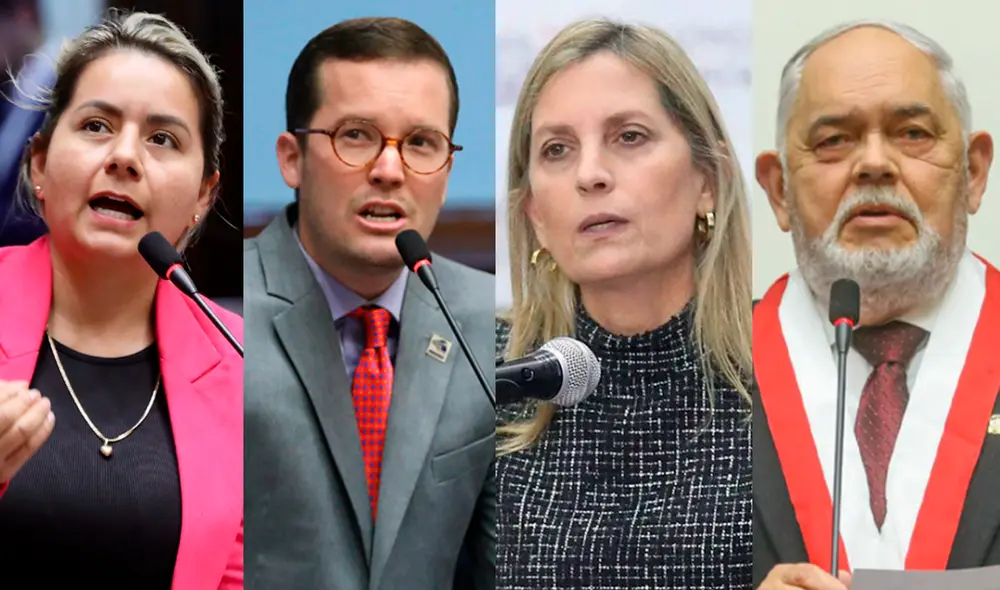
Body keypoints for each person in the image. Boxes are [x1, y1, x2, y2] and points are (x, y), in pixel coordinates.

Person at [495, 18, 753, 589]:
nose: (590, 174)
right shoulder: (484, 379)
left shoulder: (797, 365)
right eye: (557, 149)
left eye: (629, 137)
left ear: (707, 180)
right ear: (534, 214)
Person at [242, 17, 495, 590]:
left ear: (447, 171)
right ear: (291, 159)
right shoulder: (220, 321)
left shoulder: (493, 328)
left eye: (421, 144)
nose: (388, 170)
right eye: (355, 135)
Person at [0, 10, 244, 589]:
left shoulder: (240, 363)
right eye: (96, 126)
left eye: (163, 139)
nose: (126, 157)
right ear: (39, 162)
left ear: (204, 198)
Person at [753, 20, 1000, 590]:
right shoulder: (702, 374)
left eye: (912, 133)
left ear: (973, 172)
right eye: (834, 140)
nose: (873, 164)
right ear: (779, 190)